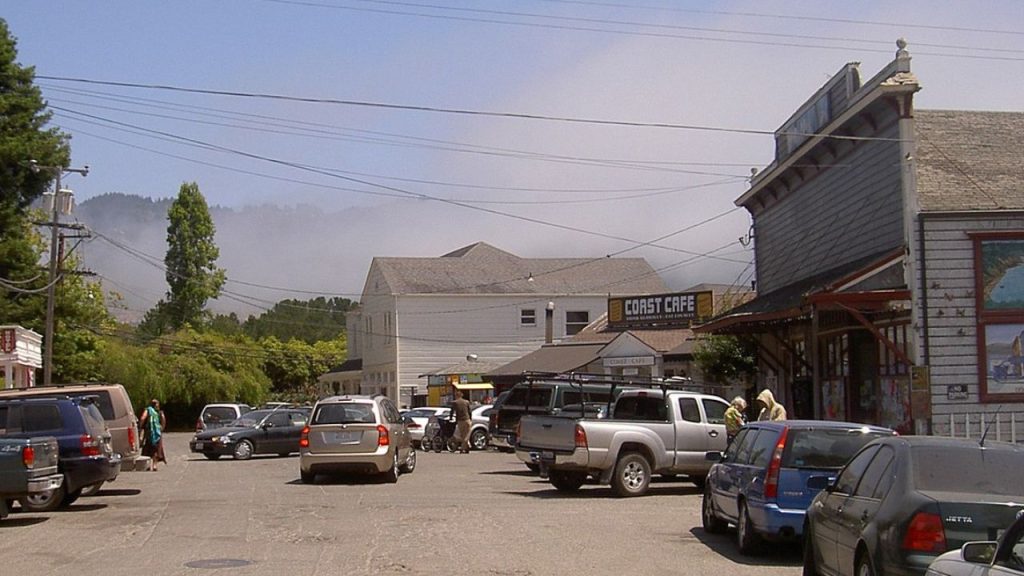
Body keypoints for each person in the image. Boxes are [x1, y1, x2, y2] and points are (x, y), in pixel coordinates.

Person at [139, 399, 167, 470]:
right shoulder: (159, 412)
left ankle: (148, 465)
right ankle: (155, 465)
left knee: (147, 448)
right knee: (156, 449)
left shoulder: (148, 410)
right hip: (157, 433)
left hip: (149, 432)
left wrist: (140, 426)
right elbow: (163, 420)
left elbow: (142, 418)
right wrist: (161, 429)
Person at [450, 388, 472, 454]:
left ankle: (463, 448)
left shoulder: (455, 402)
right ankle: (466, 447)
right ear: (461, 395)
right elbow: (470, 411)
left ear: (456, 396)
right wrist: (470, 419)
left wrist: (451, 418)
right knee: (467, 434)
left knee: (463, 435)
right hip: (467, 420)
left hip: (460, 421)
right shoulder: (467, 402)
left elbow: (452, 411)